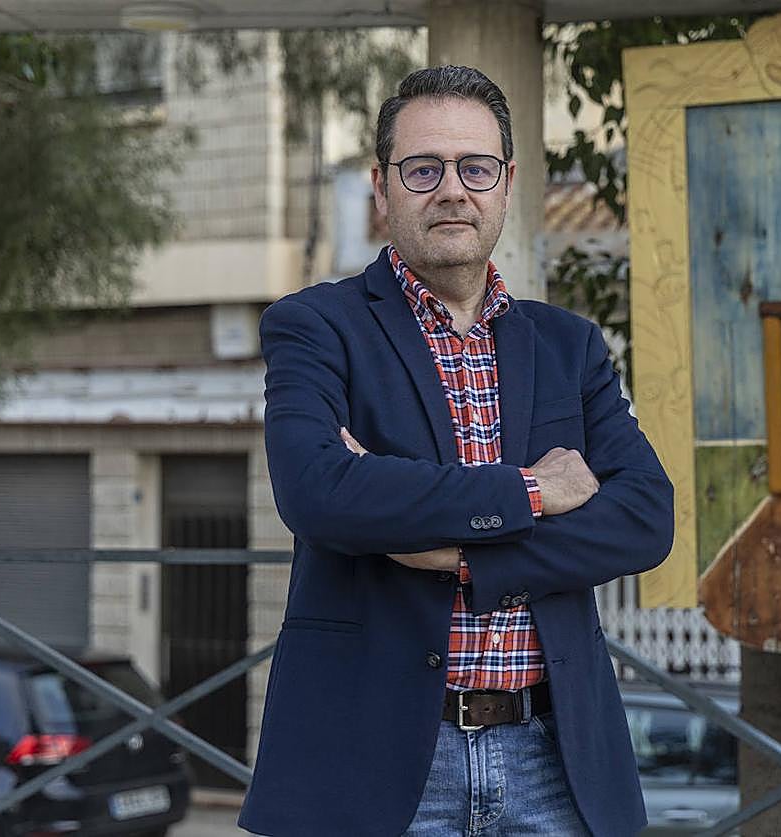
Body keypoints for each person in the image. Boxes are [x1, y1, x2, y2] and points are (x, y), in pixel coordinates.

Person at [238, 65, 673, 837]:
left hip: (555, 763)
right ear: (381, 188)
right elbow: (318, 490)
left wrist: (463, 557)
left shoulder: (568, 345)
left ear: (507, 183)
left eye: (475, 168)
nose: (451, 190)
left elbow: (644, 518)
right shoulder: (315, 327)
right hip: (375, 765)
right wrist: (532, 492)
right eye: (423, 169)